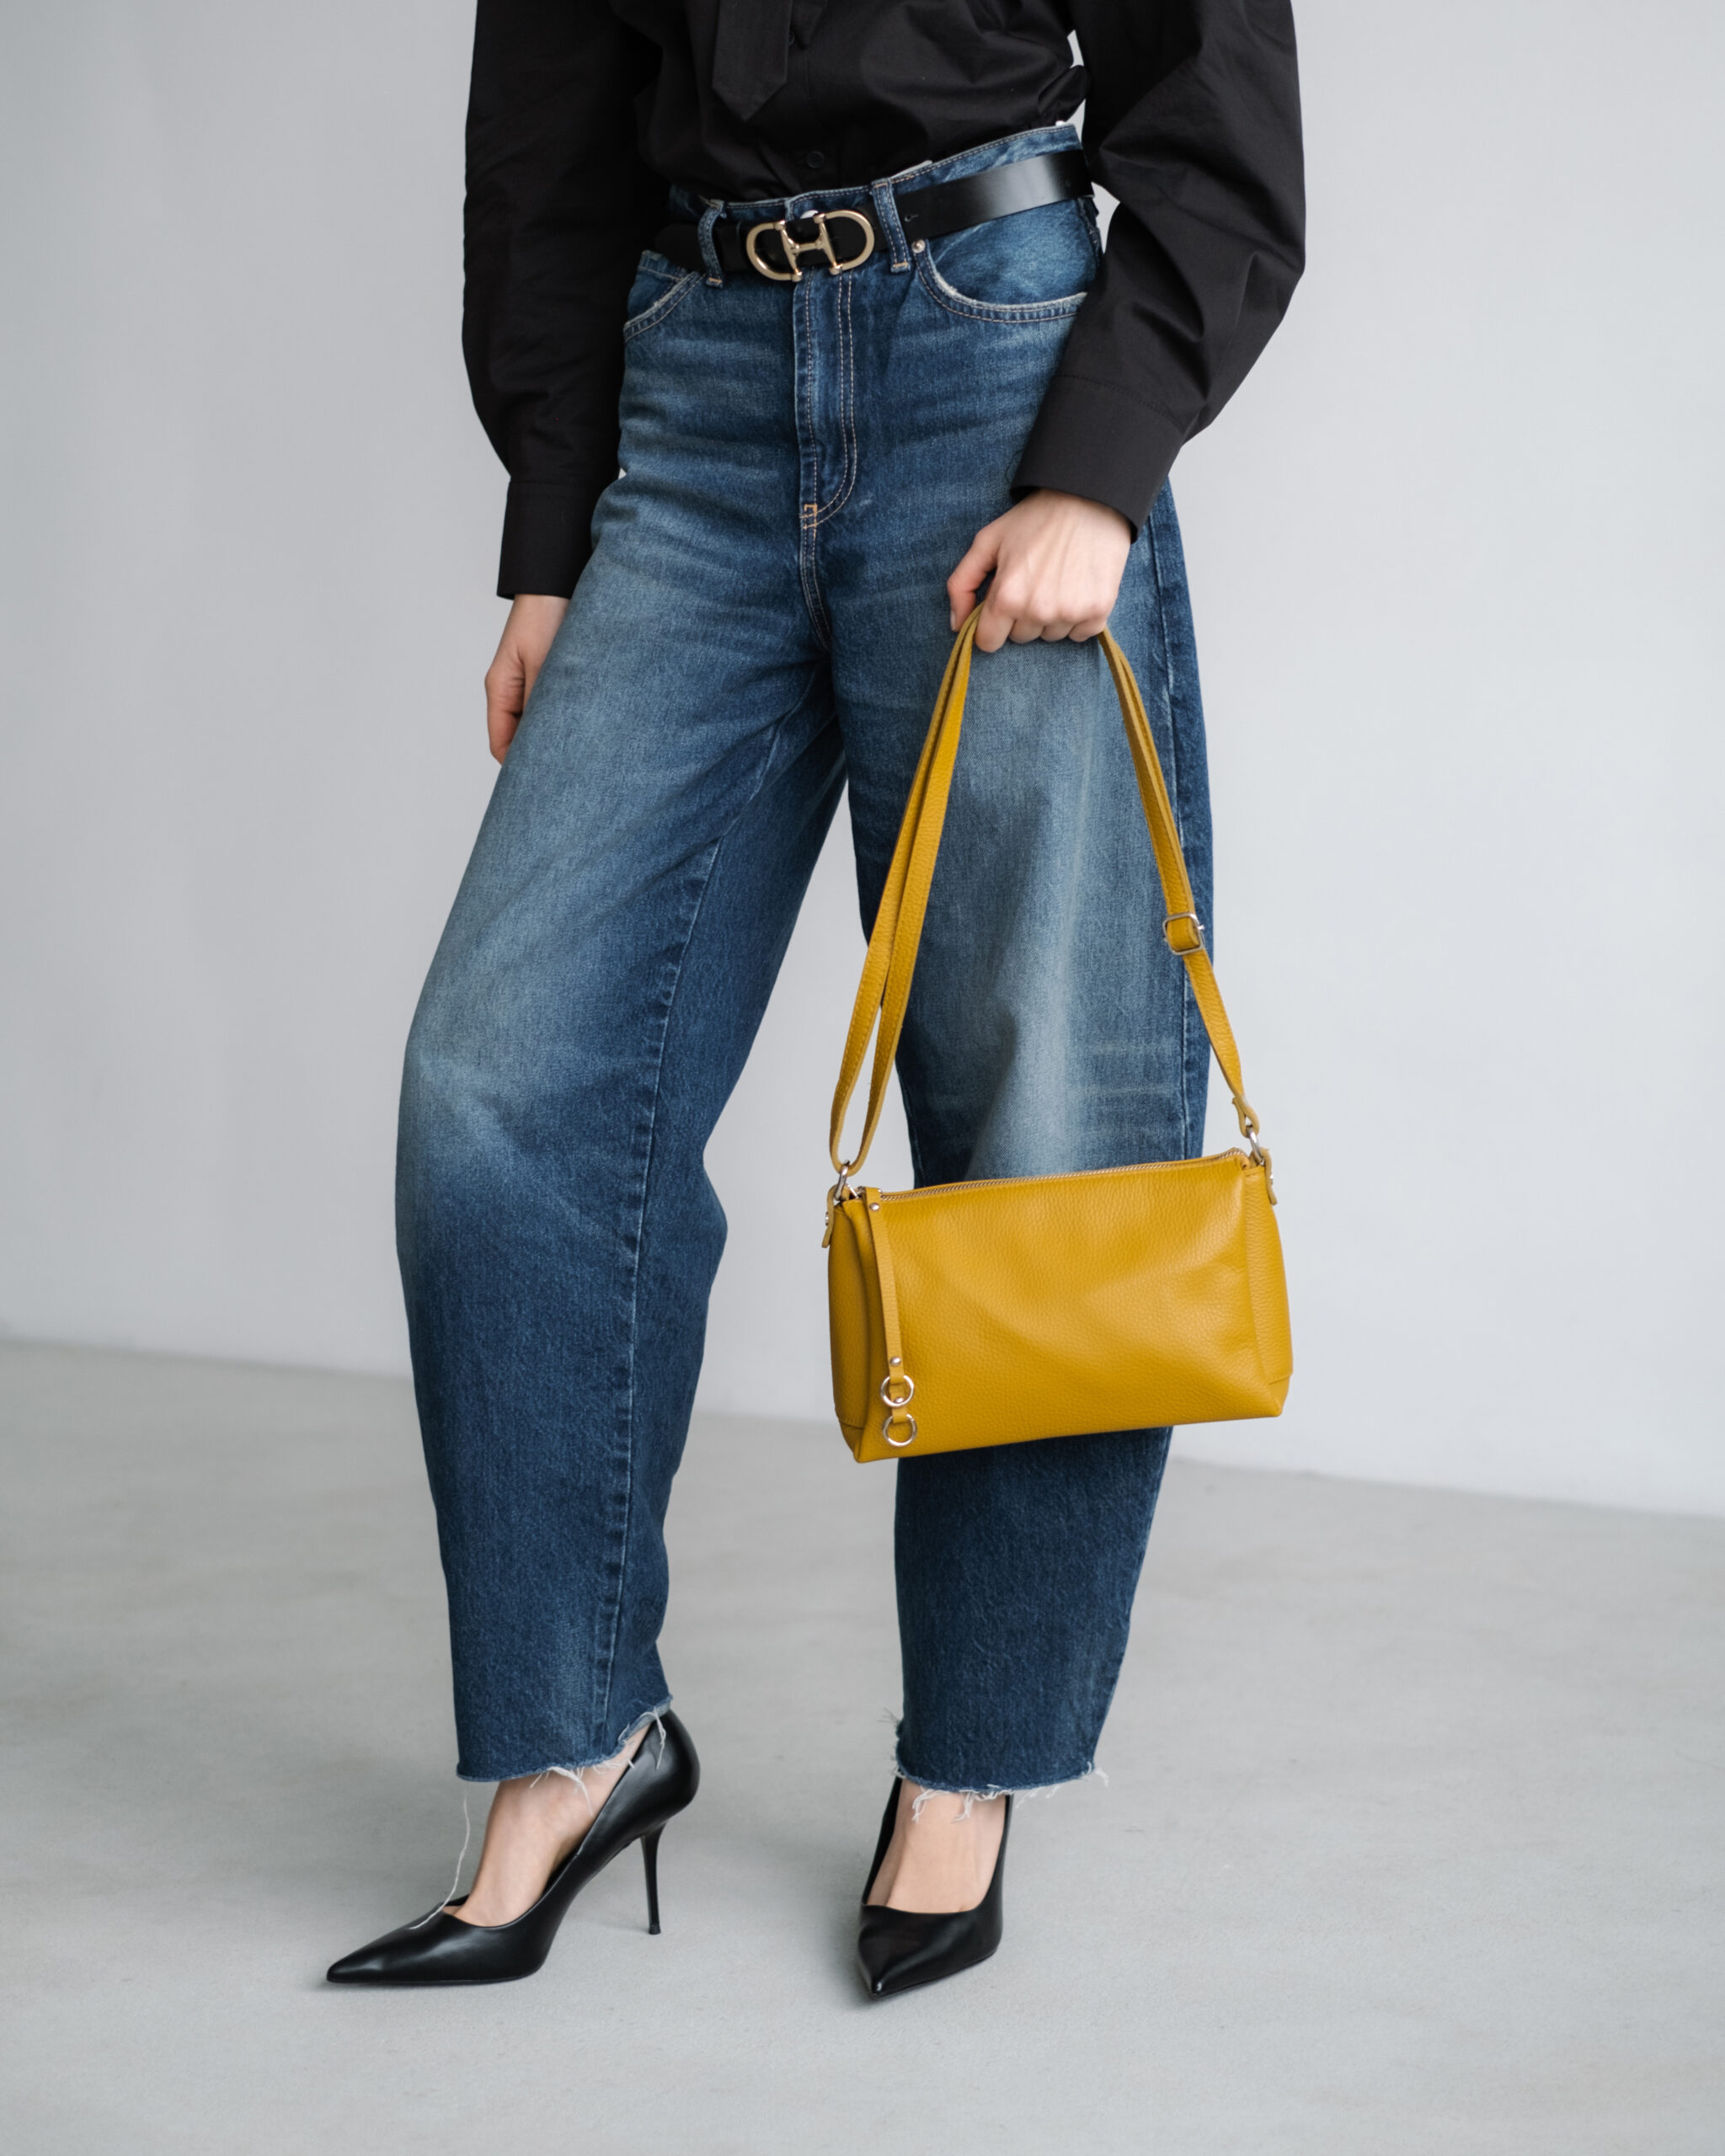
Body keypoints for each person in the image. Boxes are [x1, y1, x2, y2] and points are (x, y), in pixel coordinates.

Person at [328, 0, 1303, 1997]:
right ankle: (574, 1735)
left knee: (1045, 1120)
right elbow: (545, 130)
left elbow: (1213, 99)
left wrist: (1098, 464)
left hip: (998, 365)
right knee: (504, 1085)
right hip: (685, 401)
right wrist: (548, 539)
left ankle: (971, 1763)